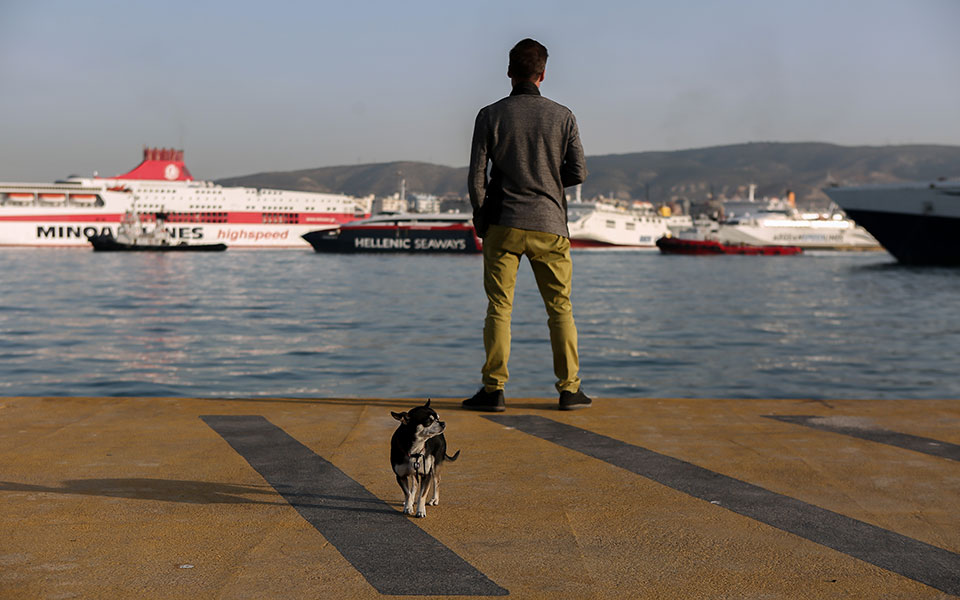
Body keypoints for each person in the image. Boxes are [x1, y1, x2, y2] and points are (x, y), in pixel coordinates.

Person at [463, 38, 591, 412]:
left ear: (509, 72)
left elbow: (476, 177)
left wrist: (480, 214)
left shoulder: (490, 115)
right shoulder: (563, 116)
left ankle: (494, 390)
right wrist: (548, 184)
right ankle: (569, 390)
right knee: (560, 308)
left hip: (503, 222)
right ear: (543, 74)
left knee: (499, 307)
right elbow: (578, 172)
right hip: (550, 225)